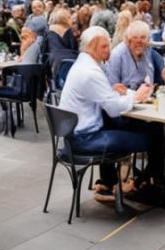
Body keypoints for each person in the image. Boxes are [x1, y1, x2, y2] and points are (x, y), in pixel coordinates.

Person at [57, 27, 152, 198]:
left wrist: (114, 90)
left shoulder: (83, 64)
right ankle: (143, 184)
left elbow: (103, 97)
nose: (109, 50)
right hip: (84, 139)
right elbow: (113, 109)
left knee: (130, 128)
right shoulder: (91, 72)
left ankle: (114, 182)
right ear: (91, 47)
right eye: (104, 46)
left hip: (74, 135)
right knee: (151, 137)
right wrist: (136, 97)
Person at [104, 21, 165, 92]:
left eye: (143, 38)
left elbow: (164, 71)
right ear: (128, 40)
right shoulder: (117, 55)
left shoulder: (148, 50)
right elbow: (112, 87)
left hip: (145, 98)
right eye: (135, 38)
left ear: (148, 40)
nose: (139, 42)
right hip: (123, 99)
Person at [44, 7, 79, 74]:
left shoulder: (49, 32)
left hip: (53, 62)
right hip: (67, 63)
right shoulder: (67, 31)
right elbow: (73, 48)